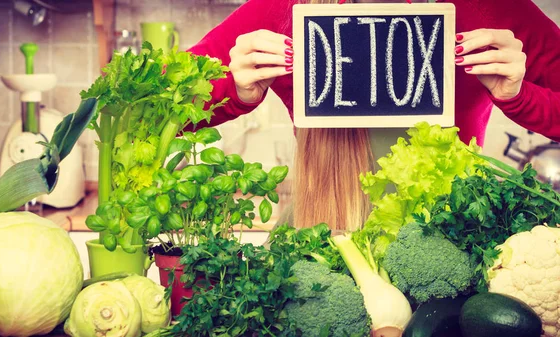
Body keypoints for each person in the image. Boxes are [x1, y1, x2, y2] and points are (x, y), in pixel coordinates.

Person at [186, 0, 560, 231]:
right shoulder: (282, 6)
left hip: (454, 239)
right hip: (324, 236)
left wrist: (520, 96)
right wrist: (233, 90)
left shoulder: (488, 6)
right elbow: (155, 109)